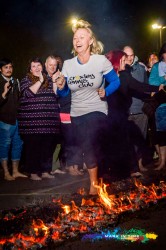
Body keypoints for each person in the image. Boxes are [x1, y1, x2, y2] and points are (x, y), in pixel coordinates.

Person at [52, 19, 120, 194]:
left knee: (90, 141)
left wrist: (107, 92)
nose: (78, 40)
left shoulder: (100, 61)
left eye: (82, 37)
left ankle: (93, 185)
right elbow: (65, 93)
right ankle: (98, 176)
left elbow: (115, 81)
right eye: (75, 38)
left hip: (97, 110)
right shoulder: (68, 64)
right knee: (86, 146)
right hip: (77, 113)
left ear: (90, 41)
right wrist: (60, 86)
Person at [105, 50, 162, 179]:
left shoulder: (126, 76)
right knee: (112, 143)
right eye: (124, 60)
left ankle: (133, 169)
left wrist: (157, 88)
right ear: (119, 61)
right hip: (109, 116)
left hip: (122, 115)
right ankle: (112, 170)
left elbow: (140, 86)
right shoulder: (107, 76)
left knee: (127, 142)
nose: (127, 62)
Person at [18, 57, 61, 180]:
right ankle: (33, 172)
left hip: (49, 123)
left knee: (47, 148)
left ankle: (46, 171)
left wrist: (54, 82)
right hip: (33, 124)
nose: (37, 68)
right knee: (33, 149)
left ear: (42, 67)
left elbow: (55, 96)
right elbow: (28, 94)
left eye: (39, 65)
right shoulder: (26, 80)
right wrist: (40, 81)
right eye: (34, 66)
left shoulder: (49, 79)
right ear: (30, 69)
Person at [0, 58, 27, 180]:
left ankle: (15, 171)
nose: (8, 69)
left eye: (10, 67)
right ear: (0, 69)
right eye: (6, 67)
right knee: (4, 145)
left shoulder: (15, 81)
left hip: (17, 119)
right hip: (4, 120)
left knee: (18, 144)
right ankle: (6, 173)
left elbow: (19, 99)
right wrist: (4, 93)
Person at [44, 55, 66, 174]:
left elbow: (62, 93)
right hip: (47, 115)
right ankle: (47, 168)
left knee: (58, 141)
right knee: (49, 142)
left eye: (55, 64)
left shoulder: (60, 76)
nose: (53, 67)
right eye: (50, 64)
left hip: (59, 112)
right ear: (46, 65)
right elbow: (52, 94)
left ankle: (55, 166)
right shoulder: (43, 77)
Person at [149, 42, 166, 170]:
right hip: (161, 106)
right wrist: (164, 79)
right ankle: (162, 162)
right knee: (161, 135)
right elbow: (152, 82)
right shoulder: (157, 67)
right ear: (162, 54)